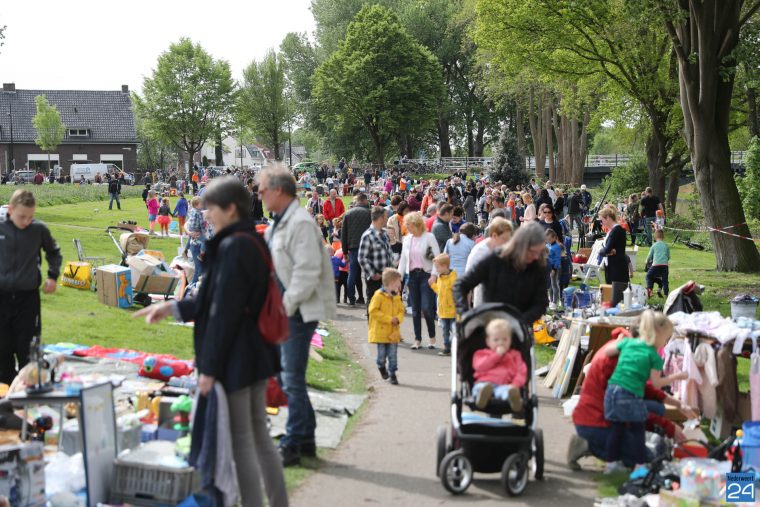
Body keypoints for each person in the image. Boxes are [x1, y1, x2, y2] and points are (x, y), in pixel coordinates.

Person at [135, 177, 288, 507]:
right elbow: (215, 301)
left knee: (242, 443)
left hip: (237, 358)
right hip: (255, 353)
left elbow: (223, 313)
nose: (206, 215)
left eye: (211, 208)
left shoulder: (234, 247)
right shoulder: (249, 240)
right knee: (258, 438)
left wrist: (209, 368)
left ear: (230, 209)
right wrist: (171, 307)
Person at [258, 166, 335, 467]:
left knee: (290, 378)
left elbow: (307, 271)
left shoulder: (300, 223)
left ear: (278, 190)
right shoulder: (279, 223)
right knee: (286, 376)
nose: (260, 195)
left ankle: (293, 442)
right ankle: (305, 439)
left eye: (263, 190)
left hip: (298, 311)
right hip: (286, 309)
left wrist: (284, 306)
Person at [568, 327, 696, 471]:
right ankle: (588, 444)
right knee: (648, 458)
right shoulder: (619, 358)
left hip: (608, 411)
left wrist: (678, 405)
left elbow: (643, 389)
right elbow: (629, 404)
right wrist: (668, 426)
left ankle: (619, 447)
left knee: (656, 410)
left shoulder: (625, 347)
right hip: (597, 421)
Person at [602, 310, 687, 473]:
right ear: (658, 335)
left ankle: (610, 464)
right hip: (630, 395)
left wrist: (620, 342)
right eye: (666, 338)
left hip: (612, 392)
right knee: (638, 429)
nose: (665, 342)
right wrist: (677, 376)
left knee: (616, 429)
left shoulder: (629, 343)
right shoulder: (654, 356)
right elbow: (656, 384)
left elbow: (607, 351)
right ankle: (640, 466)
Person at [0, 190, 61, 384]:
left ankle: (28, 389)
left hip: (28, 298)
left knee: (27, 348)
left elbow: (53, 252)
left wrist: (52, 276)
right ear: (10, 210)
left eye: (31, 216)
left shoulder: (38, 229)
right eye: (22, 216)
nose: (26, 221)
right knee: (3, 348)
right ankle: (6, 391)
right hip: (2, 297)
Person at [455, 222, 548, 324]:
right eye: (532, 251)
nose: (536, 256)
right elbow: (461, 285)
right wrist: (465, 314)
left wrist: (519, 321)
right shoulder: (496, 259)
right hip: (491, 326)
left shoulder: (538, 266)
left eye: (539, 252)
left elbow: (541, 303)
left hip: (520, 327)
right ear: (521, 246)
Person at [398, 212, 440, 350]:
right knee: (415, 310)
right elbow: (403, 260)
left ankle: (432, 337)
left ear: (416, 224)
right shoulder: (407, 239)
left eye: (409, 225)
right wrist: (399, 278)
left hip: (426, 275)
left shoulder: (429, 237)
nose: (407, 228)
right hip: (412, 276)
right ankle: (417, 339)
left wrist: (434, 275)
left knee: (426, 308)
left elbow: (437, 258)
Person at [472, 319, 527, 411]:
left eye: (505, 339)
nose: (501, 342)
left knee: (507, 391)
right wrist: (496, 356)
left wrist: (515, 384)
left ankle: (512, 398)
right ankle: (482, 398)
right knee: (480, 388)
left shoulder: (515, 355)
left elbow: (521, 371)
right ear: (488, 341)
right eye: (496, 340)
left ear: (510, 340)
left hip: (504, 385)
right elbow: (479, 367)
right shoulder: (482, 354)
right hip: (484, 382)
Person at [464, 217, 513, 307]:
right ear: (494, 236)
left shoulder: (507, 250)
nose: (507, 243)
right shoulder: (479, 251)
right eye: (504, 239)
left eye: (508, 239)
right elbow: (467, 283)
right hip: (483, 306)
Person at [368, 268, 405, 385]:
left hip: (393, 332)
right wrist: (389, 319)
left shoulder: (397, 296)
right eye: (398, 284)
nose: (399, 286)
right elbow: (373, 311)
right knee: (381, 356)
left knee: (393, 355)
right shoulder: (378, 295)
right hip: (381, 332)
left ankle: (392, 374)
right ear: (390, 283)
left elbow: (401, 311)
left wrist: (398, 319)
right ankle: (381, 366)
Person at [358, 207, 394, 308]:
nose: (387, 219)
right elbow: (362, 258)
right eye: (386, 217)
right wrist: (373, 274)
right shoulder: (368, 235)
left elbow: (388, 252)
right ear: (380, 218)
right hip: (375, 277)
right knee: (374, 306)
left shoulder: (384, 233)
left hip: (386, 276)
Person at [341, 193, 371, 306]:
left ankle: (352, 298)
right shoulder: (369, 213)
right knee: (368, 272)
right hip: (367, 246)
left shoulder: (348, 213)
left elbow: (344, 234)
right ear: (364, 200)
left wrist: (344, 251)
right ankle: (369, 297)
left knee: (353, 273)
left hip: (353, 247)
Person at [430, 254, 457, 356]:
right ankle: (447, 348)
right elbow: (439, 291)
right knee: (445, 331)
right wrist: (433, 285)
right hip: (443, 311)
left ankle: (455, 346)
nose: (436, 270)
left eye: (437, 267)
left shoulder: (453, 278)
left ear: (445, 266)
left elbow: (457, 293)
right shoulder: (440, 277)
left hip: (453, 310)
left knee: (455, 331)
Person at [598, 207, 629, 285]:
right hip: (611, 266)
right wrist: (606, 251)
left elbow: (607, 249)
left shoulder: (616, 230)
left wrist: (600, 251)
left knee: (616, 290)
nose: (601, 223)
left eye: (602, 220)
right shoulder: (612, 230)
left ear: (608, 218)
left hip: (617, 268)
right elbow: (608, 250)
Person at [185, 197, 207, 285]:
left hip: (193, 232)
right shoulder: (200, 213)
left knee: (200, 268)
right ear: (197, 205)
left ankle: (186, 248)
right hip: (196, 237)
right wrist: (203, 231)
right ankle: (193, 285)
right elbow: (202, 224)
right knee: (199, 267)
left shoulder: (192, 211)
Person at [646, 229, 670, 298]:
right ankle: (666, 294)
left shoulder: (654, 245)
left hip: (656, 265)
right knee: (665, 280)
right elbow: (668, 257)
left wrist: (647, 261)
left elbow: (650, 255)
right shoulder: (666, 245)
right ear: (663, 237)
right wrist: (665, 260)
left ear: (655, 237)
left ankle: (650, 290)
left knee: (648, 276)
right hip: (665, 265)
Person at [546, 229, 561, 310]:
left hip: (554, 268)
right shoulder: (547, 245)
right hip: (548, 268)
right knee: (549, 285)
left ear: (554, 238)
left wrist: (554, 269)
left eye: (549, 239)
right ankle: (551, 300)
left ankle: (555, 302)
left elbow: (557, 259)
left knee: (554, 285)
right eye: (547, 239)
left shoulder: (557, 247)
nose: (548, 241)